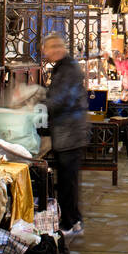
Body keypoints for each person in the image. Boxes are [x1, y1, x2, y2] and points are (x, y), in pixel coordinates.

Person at [43, 31, 88, 236]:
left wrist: (37, 103)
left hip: (69, 132)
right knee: (68, 181)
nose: (54, 51)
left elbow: (60, 100)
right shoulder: (63, 68)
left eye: (57, 46)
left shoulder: (68, 69)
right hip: (68, 132)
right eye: (50, 47)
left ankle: (69, 223)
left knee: (67, 182)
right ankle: (74, 219)